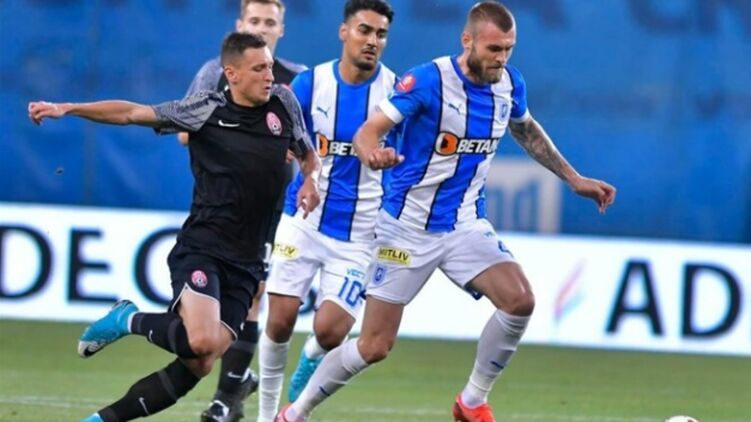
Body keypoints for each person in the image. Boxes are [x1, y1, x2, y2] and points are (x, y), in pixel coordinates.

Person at [274, 2, 617, 422]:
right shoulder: (427, 80)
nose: (502, 58)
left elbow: (526, 129)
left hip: (464, 225)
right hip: (405, 229)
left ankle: (471, 402)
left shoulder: (510, 84)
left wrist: (573, 178)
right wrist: (371, 154)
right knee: (374, 346)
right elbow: (368, 131)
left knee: (519, 300)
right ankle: (294, 414)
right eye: (494, 49)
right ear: (467, 41)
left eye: (508, 49)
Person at [27, 32, 321, 422]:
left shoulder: (283, 102)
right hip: (205, 247)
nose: (270, 75)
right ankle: (127, 319)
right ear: (231, 74)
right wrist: (68, 108)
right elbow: (132, 113)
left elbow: (308, 153)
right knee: (200, 340)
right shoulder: (204, 109)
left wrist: (310, 180)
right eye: (259, 68)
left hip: (249, 261)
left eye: (269, 66)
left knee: (200, 362)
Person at [256, 1, 396, 420]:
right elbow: (283, 134)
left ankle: (313, 355)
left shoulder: (395, 92)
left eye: (380, 34)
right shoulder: (310, 83)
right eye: (364, 30)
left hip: (361, 233)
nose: (372, 41)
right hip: (305, 220)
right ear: (344, 32)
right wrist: (292, 157)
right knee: (279, 321)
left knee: (331, 331)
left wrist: (391, 161)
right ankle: (266, 416)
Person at [176, 2, 307, 421]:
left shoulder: (297, 80)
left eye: (270, 22)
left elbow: (309, 141)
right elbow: (183, 132)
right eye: (254, 21)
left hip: (273, 206)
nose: (262, 28)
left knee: (254, 294)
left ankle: (226, 396)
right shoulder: (215, 72)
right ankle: (235, 382)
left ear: (281, 30)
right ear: (240, 25)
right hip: (221, 201)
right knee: (226, 299)